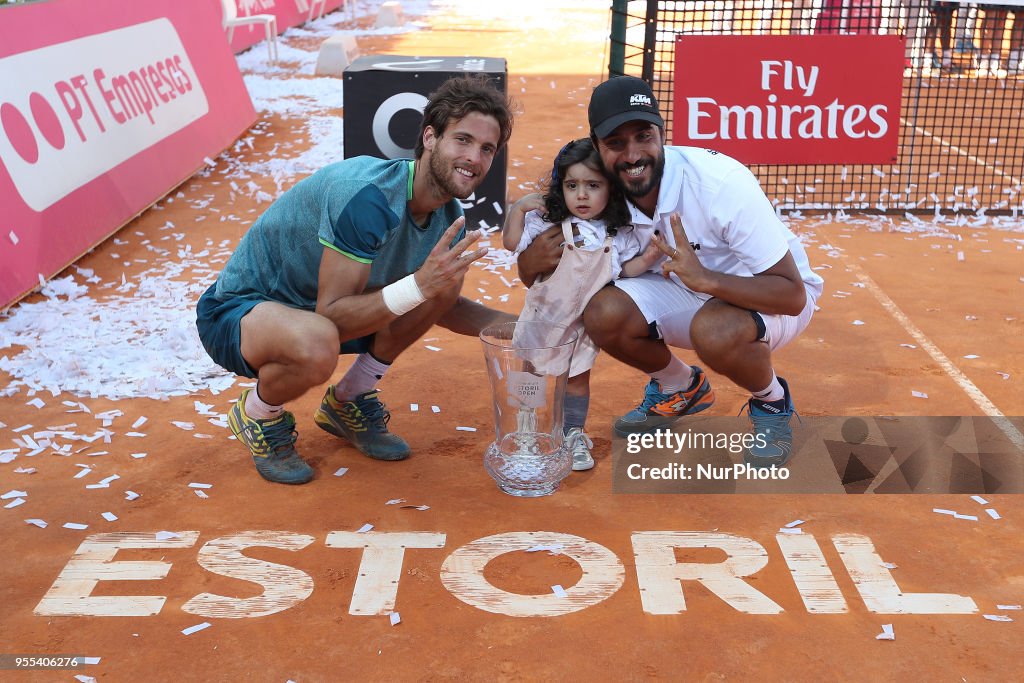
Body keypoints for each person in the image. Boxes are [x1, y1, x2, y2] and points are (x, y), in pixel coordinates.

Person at [196, 75, 514, 484]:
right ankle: (257, 414)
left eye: (487, 149)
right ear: (431, 137)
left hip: (319, 314)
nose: (475, 157)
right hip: (240, 314)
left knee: (443, 283)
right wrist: (420, 285)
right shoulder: (369, 196)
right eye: (463, 140)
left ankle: (346, 401)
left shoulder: (448, 214)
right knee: (318, 341)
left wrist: (527, 329)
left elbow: (441, 304)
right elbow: (334, 315)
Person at [517, 76, 824, 468]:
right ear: (597, 146)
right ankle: (682, 388)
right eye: (615, 144)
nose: (632, 155)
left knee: (715, 328)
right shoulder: (596, 189)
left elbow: (792, 295)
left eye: (643, 136)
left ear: (661, 133)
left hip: (768, 298)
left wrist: (708, 280)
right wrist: (529, 256)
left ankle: (773, 403)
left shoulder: (720, 184)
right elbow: (548, 273)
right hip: (680, 288)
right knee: (602, 312)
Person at [502, 138, 660, 471]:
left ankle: (572, 434)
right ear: (561, 189)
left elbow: (625, 271)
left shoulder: (615, 235)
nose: (582, 195)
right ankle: (525, 429)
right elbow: (512, 242)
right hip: (542, 317)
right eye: (572, 186)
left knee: (577, 380)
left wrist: (650, 257)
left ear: (611, 189)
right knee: (529, 371)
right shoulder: (548, 225)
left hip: (581, 328)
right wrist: (518, 209)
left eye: (593, 185)